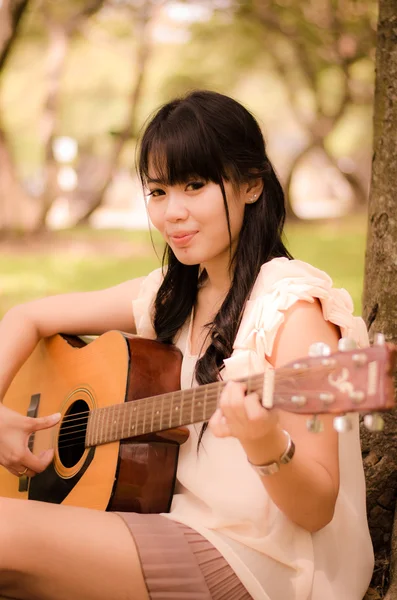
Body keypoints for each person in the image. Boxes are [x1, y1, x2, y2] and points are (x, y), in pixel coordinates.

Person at [0, 90, 374, 600]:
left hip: (259, 564)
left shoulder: (293, 308)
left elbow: (317, 509)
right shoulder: (172, 295)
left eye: (194, 185)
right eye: (157, 192)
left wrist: (264, 443)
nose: (172, 212)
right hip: (172, 527)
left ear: (251, 186)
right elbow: (27, 315)